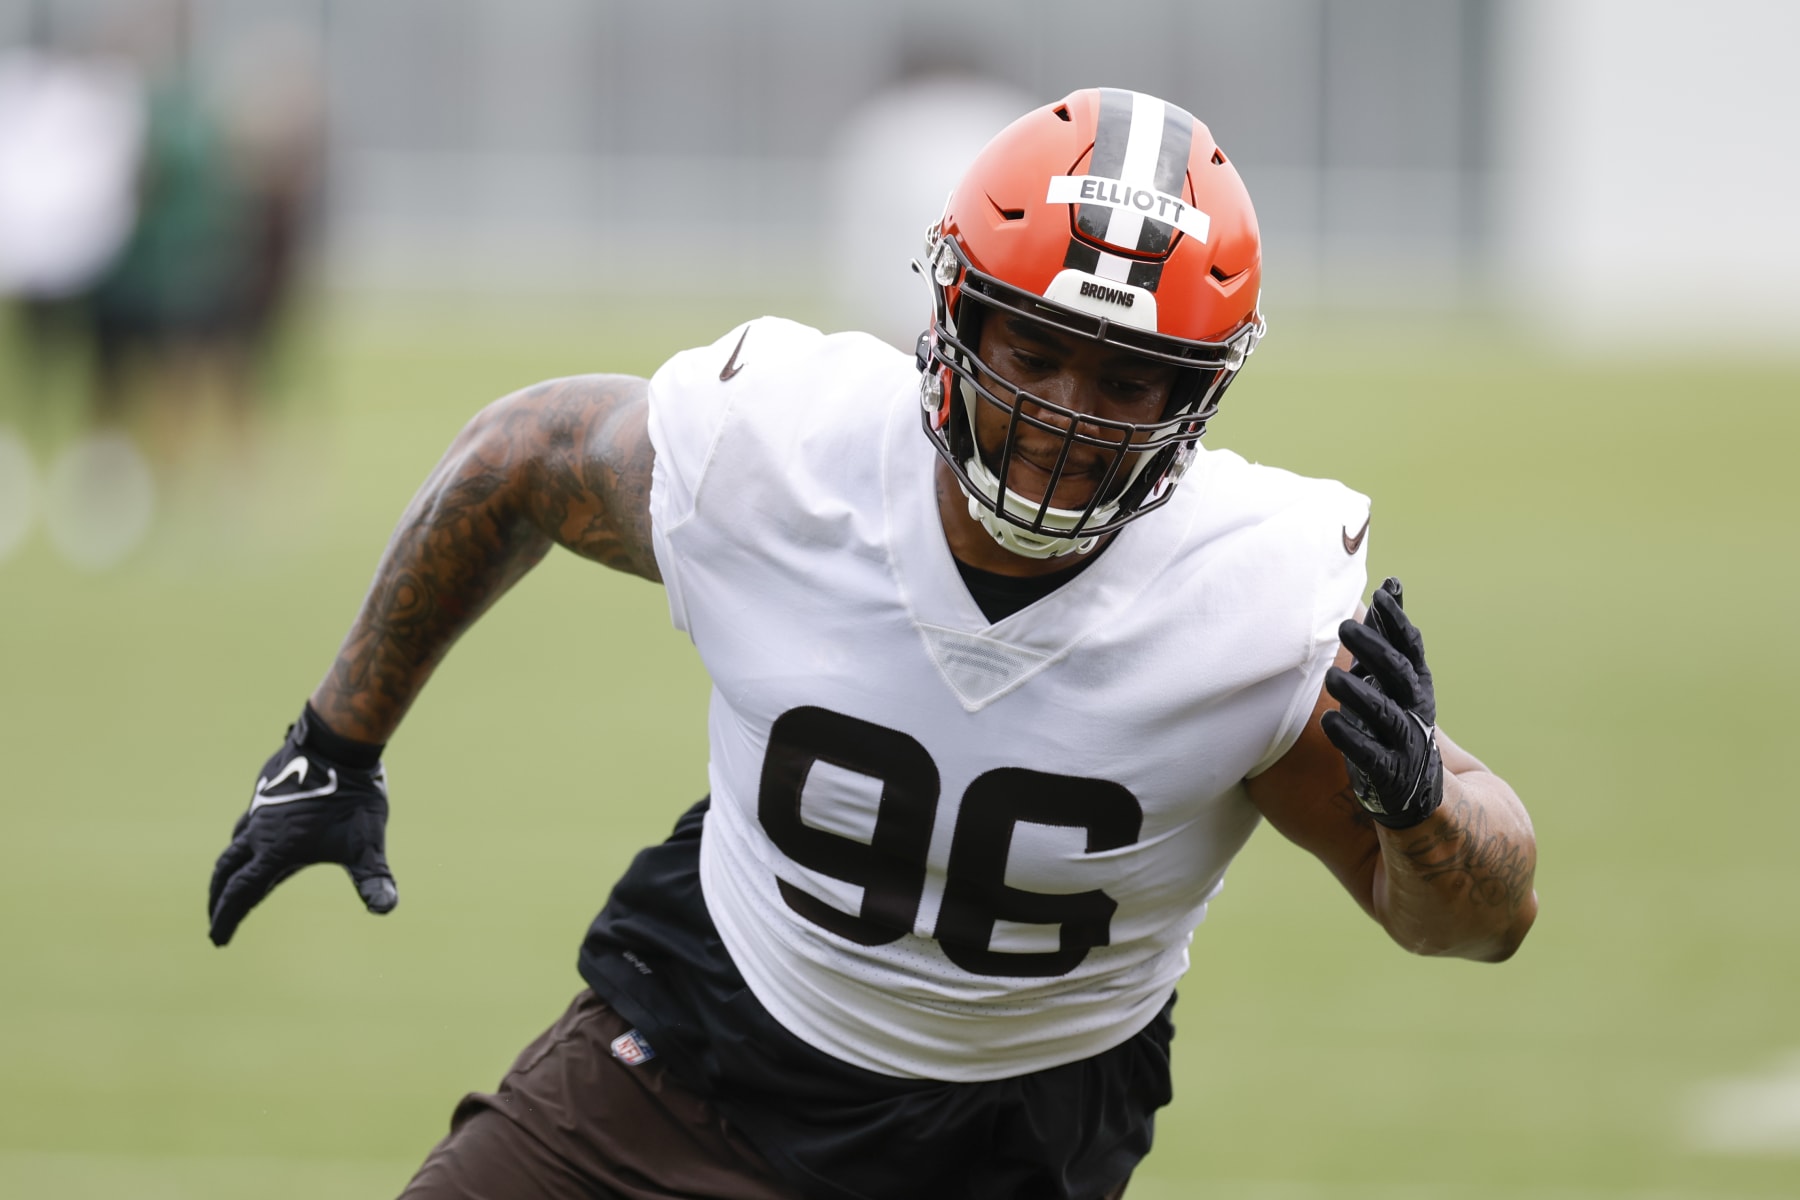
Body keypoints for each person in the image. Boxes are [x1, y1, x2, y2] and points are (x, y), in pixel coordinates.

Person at [207, 88, 1537, 1200]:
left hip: (1007, 1147)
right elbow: (523, 455)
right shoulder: (787, 451)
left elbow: (1482, 922)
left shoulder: (1246, 596)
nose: (1070, 420)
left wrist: (1420, 815)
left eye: (1127, 380)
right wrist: (336, 742)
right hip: (700, 1041)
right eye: (1038, 348)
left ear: (1200, 397)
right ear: (953, 314)